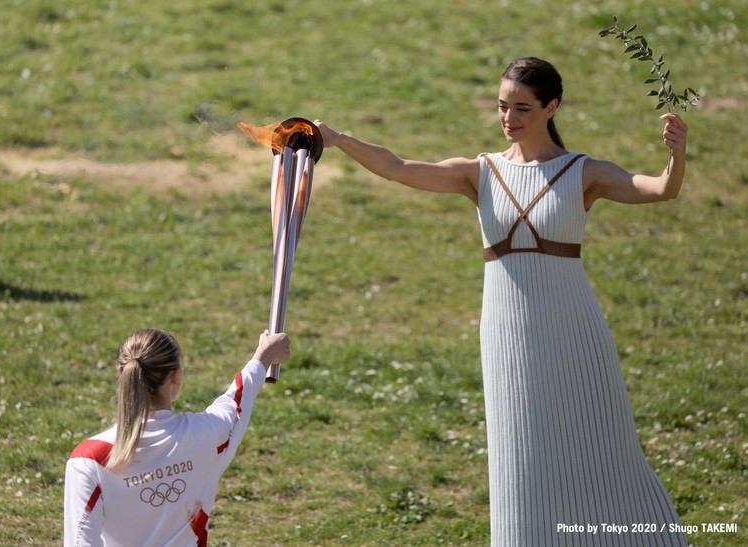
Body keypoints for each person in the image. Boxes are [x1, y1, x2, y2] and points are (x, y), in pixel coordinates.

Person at [315, 57, 689, 545]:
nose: (508, 118)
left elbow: (661, 189)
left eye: (522, 108)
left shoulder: (583, 172)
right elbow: (399, 168)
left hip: (573, 328)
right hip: (506, 332)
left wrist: (676, 156)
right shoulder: (482, 172)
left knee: (600, 445)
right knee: (520, 452)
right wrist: (341, 139)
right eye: (501, 107)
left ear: (551, 107)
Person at [64, 328, 290, 547]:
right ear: (177, 376)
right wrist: (264, 356)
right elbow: (239, 396)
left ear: (122, 374)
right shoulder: (207, 435)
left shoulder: (89, 459)